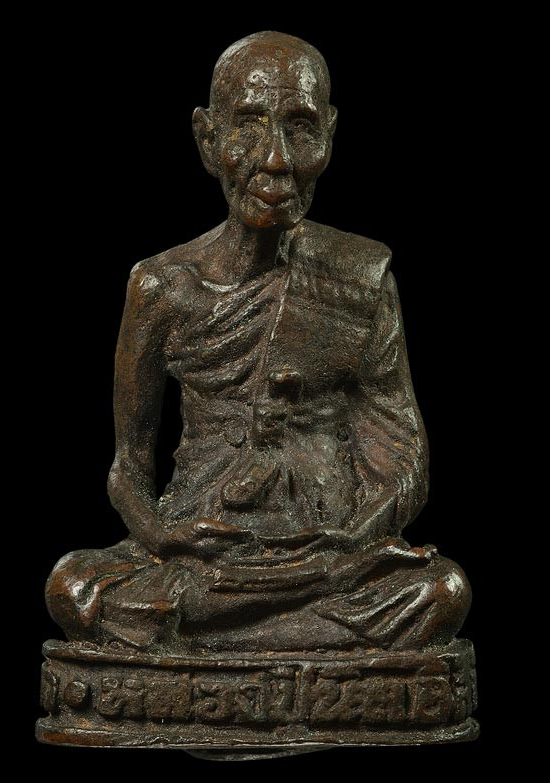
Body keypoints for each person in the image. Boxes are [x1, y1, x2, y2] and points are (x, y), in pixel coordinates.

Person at [46, 31, 471, 653]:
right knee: (72, 586)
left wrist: (355, 538)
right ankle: (292, 633)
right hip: (203, 547)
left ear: (329, 136)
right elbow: (128, 469)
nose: (275, 159)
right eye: (248, 128)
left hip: (327, 549)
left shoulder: (359, 276)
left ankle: (214, 633)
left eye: (300, 129)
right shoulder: (162, 286)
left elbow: (402, 454)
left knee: (443, 591)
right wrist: (162, 536)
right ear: (208, 139)